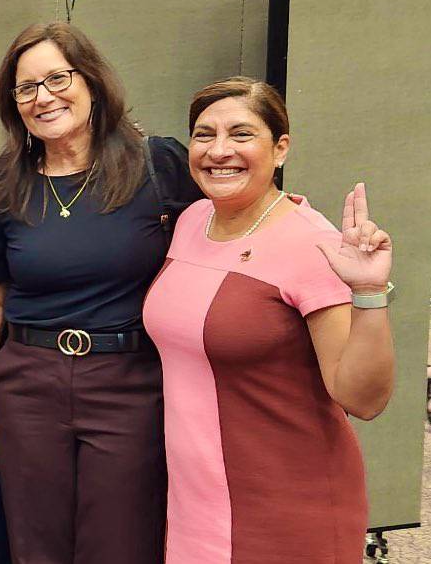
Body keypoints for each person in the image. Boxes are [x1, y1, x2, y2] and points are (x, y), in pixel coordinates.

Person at [0, 22, 203, 564]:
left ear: (91, 82)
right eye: (26, 88)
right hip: (27, 383)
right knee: (34, 544)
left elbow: (220, 236)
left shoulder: (157, 167)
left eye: (57, 78)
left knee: (121, 543)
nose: (43, 97)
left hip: (130, 382)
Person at [143, 77, 394, 563]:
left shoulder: (312, 242)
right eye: (203, 135)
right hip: (196, 502)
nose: (219, 151)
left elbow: (363, 398)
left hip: (287, 505)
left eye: (241, 135)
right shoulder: (193, 220)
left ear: (280, 149)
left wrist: (367, 292)